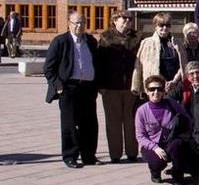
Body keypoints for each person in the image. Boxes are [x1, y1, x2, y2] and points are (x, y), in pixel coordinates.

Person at [43, 10, 101, 168]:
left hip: (88, 88)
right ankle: (70, 156)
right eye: (76, 23)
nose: (80, 26)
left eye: (82, 22)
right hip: (68, 88)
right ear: (69, 24)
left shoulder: (90, 41)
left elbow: (97, 64)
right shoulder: (60, 41)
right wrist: (58, 85)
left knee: (89, 123)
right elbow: (48, 68)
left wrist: (96, 85)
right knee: (69, 124)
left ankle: (89, 155)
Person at [96, 10, 140, 164]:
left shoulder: (137, 37)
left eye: (130, 18)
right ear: (115, 20)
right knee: (113, 122)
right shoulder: (105, 38)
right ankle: (115, 154)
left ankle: (132, 152)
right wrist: (100, 84)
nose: (128, 21)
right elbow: (99, 63)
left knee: (132, 121)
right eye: (124, 18)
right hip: (110, 86)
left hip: (131, 87)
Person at [134, 75, 191, 185]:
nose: (156, 92)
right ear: (146, 91)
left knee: (177, 146)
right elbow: (140, 136)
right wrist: (155, 147)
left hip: (171, 141)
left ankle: (178, 175)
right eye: (152, 89)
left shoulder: (171, 103)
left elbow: (187, 119)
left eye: (159, 89)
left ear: (164, 90)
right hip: (152, 145)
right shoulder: (142, 111)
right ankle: (155, 172)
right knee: (157, 162)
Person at [132, 13, 187, 96]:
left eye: (167, 25)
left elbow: (183, 64)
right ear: (155, 26)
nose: (164, 28)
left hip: (175, 86)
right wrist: (136, 86)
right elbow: (139, 65)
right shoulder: (147, 43)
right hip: (155, 87)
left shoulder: (178, 43)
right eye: (161, 25)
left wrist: (174, 81)